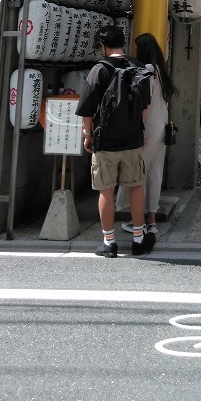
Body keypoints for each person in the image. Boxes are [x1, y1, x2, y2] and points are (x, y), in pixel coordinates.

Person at [75, 24, 156, 258]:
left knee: (106, 190)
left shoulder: (98, 70)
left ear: (102, 46)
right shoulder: (137, 68)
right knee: (136, 186)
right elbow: (145, 106)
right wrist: (138, 129)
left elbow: (87, 109)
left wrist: (87, 134)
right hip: (132, 140)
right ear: (123, 43)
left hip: (105, 141)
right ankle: (139, 239)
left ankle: (109, 242)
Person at [118, 33, 176, 237]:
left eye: (137, 48)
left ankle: (139, 221)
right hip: (162, 129)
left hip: (147, 129)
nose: (134, 52)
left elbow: (145, 104)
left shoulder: (147, 71)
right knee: (155, 173)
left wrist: (138, 129)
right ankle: (151, 220)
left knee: (138, 174)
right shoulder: (161, 71)